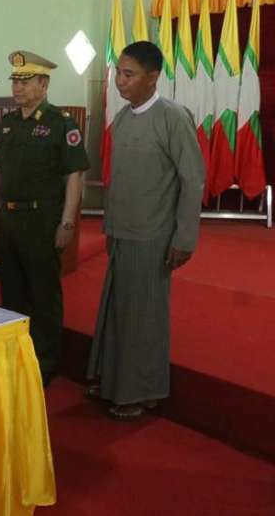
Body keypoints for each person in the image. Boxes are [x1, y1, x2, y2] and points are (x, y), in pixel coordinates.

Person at [86, 41, 205, 420]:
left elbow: (192, 180)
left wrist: (184, 238)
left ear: (152, 77)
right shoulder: (123, 118)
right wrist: (110, 227)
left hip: (153, 236)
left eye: (129, 74)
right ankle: (112, 380)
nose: (120, 81)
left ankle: (141, 392)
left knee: (144, 317)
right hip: (121, 233)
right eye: (118, 73)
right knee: (118, 311)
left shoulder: (172, 117)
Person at [0, 51, 89, 387]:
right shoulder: (8, 123)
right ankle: (16, 354)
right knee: (12, 292)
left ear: (43, 85)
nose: (17, 87)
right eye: (15, 80)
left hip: (41, 219)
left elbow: (74, 175)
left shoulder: (60, 123)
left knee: (43, 294)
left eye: (25, 81)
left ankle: (44, 361)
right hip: (9, 218)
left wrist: (67, 223)